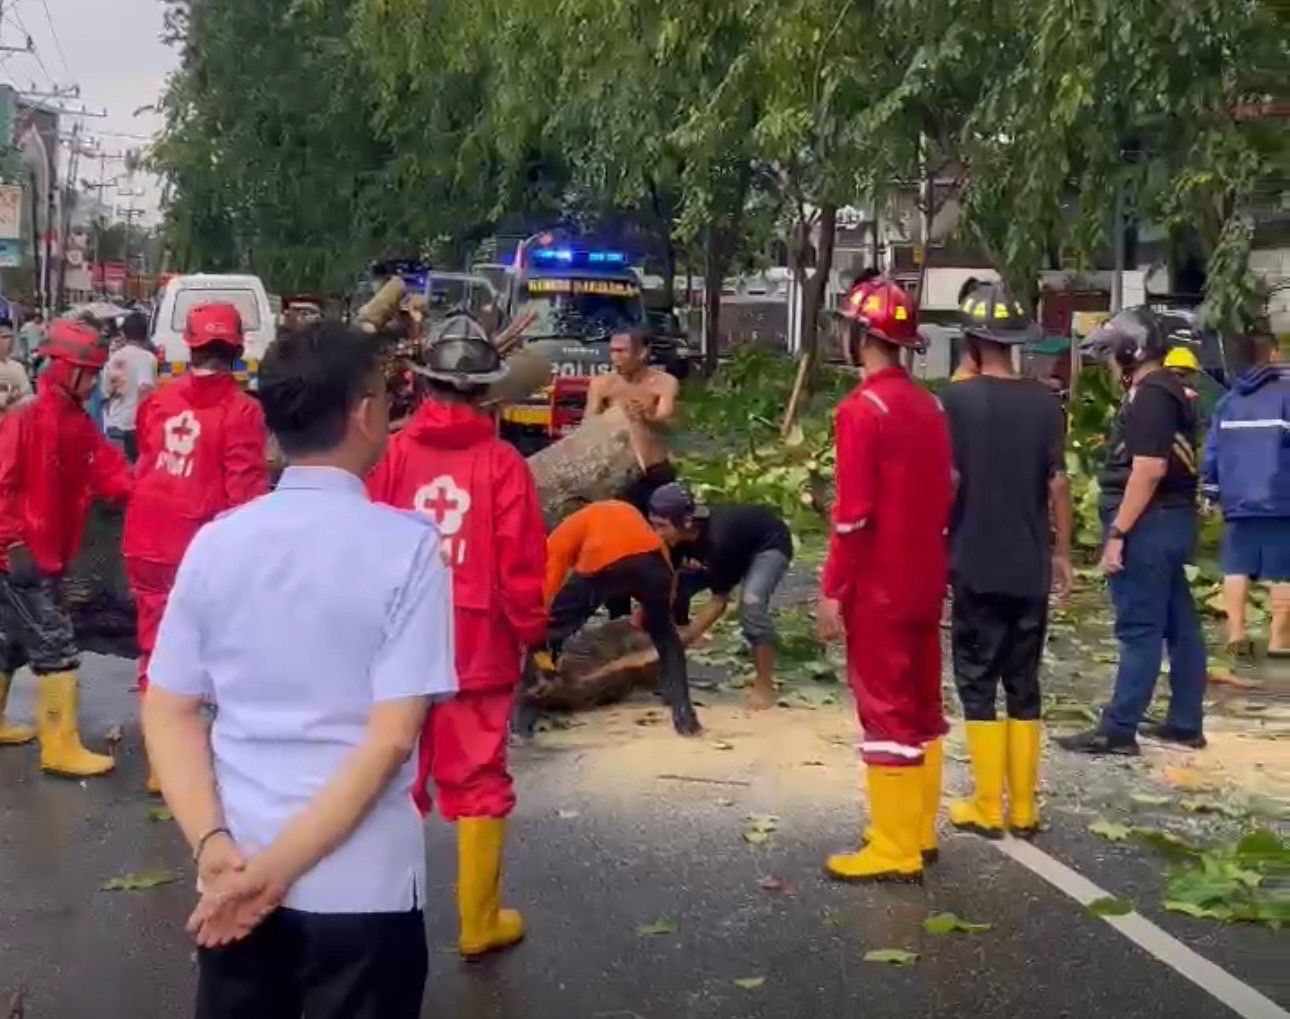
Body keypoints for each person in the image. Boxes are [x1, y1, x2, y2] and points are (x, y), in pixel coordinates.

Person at [142, 321, 455, 1018]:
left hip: (233, 880)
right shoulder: (405, 548)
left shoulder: (216, 544)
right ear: (366, 412)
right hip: (361, 894)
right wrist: (276, 874)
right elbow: (389, 738)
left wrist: (216, 849)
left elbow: (168, 706)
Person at [366, 316, 546, 959]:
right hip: (478, 646)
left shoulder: (389, 456)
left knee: (393, 779)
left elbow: (364, 550)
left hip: (399, 648)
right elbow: (522, 569)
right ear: (487, 393)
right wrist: (534, 637)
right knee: (478, 782)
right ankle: (479, 924)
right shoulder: (503, 465)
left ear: (422, 384)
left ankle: (386, 919)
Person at [817, 276, 953, 882]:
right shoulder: (930, 404)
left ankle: (894, 848)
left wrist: (831, 590)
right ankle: (918, 831)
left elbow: (854, 515)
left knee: (885, 708)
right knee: (922, 705)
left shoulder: (861, 411)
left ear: (860, 335)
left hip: (880, 585)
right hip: (927, 576)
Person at [940, 282, 1073, 840]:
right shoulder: (1045, 401)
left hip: (974, 560)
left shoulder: (953, 402)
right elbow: (1058, 484)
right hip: (1029, 565)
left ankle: (986, 804)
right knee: (1024, 680)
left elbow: (947, 481)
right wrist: (1062, 552)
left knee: (977, 680)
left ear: (971, 343)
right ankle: (1024, 807)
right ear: (1017, 343)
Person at [124, 303, 269, 791]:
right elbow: (243, 492)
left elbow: (146, 458)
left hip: (144, 539)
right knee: (207, 653)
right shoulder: (243, 411)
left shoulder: (160, 402)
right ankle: (190, 760)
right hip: (197, 547)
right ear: (237, 349)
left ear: (190, 345)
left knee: (154, 649)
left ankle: (158, 764)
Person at [1059, 307, 1207, 755]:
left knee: (1139, 627)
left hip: (1149, 523)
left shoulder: (1152, 396)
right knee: (1179, 623)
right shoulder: (1171, 390)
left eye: (1111, 356)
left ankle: (1119, 728)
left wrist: (1118, 533)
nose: (1109, 365)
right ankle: (1184, 722)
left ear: (1130, 351)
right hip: (1169, 520)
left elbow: (1147, 469)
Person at [0, 319, 132, 774]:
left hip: (45, 553)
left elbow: (110, 473)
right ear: (63, 368)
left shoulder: (77, 423)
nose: (95, 381)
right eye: (88, 372)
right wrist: (11, 543)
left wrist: (150, 490)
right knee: (55, 644)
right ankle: (59, 748)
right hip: (20, 555)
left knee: (9, 642)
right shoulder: (25, 418)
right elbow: (2, 484)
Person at [542, 499, 701, 735]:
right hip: (652, 563)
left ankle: (538, 690)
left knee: (552, 631)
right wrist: (655, 610)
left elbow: (550, 576)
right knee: (667, 639)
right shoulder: (626, 510)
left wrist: (543, 620)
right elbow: (664, 565)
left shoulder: (566, 529)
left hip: (603, 559)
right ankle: (684, 715)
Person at [647, 482, 793, 710]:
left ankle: (765, 684)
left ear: (686, 522)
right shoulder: (675, 538)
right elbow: (671, 580)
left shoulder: (718, 540)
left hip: (768, 545)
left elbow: (719, 602)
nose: (657, 533)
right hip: (729, 554)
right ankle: (670, 670)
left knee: (752, 605)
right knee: (678, 589)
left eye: (662, 526)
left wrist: (687, 638)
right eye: (653, 525)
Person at [1201, 328, 1290, 660]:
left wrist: (1211, 492)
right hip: (1281, 499)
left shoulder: (1228, 401)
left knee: (1236, 567)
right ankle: (1280, 639)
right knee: (1283, 571)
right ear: (1275, 354)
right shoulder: (1288, 396)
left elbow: (1211, 453)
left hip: (1237, 501)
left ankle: (1237, 632)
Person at [587, 328, 680, 516]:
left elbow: (668, 424)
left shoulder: (664, 383)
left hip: (654, 468)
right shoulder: (602, 384)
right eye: (613, 351)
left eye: (622, 351)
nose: (615, 357)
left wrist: (646, 417)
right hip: (618, 470)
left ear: (642, 353)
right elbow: (589, 425)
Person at [102, 310, 158, 461]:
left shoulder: (115, 358)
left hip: (116, 424)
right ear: (145, 334)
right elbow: (145, 388)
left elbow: (106, 391)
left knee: (118, 475)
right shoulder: (148, 359)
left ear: (124, 334)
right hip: (137, 428)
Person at [0, 319, 33, 412]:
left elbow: (28, 394)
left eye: (11, 336)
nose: (10, 340)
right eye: (4, 336)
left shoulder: (17, 366)